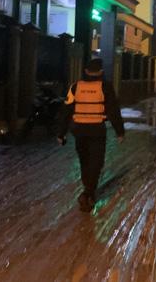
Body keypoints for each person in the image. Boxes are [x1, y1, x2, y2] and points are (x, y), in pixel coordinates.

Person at [57, 58, 125, 212]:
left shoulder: (75, 87)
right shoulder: (105, 87)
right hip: (96, 131)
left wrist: (61, 133)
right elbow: (113, 111)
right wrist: (119, 131)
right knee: (96, 162)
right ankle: (89, 192)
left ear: (86, 71)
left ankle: (88, 190)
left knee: (84, 160)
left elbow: (66, 111)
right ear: (101, 72)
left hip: (79, 131)